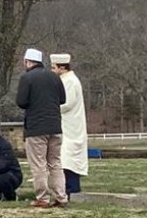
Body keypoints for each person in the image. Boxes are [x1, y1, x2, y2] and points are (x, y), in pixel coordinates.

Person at [16, 48, 67, 208]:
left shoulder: (26, 78)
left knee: (38, 164)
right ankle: (61, 197)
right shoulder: (54, 76)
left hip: (36, 127)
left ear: (27, 61)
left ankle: (42, 197)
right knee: (55, 163)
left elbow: (21, 102)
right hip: (55, 126)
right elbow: (63, 99)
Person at [50, 53, 88, 199]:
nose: (52, 70)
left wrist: (51, 106)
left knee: (68, 159)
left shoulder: (70, 81)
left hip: (71, 127)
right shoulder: (65, 80)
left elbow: (67, 103)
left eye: (54, 68)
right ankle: (65, 188)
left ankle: (72, 188)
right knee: (64, 158)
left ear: (62, 68)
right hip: (66, 124)